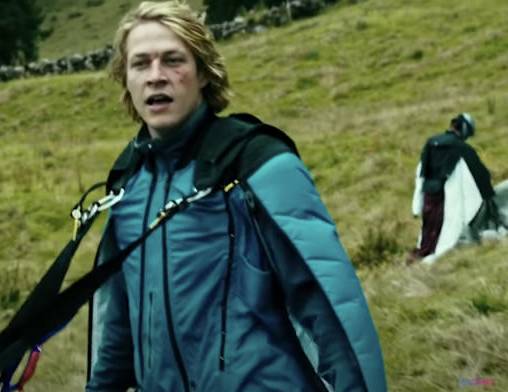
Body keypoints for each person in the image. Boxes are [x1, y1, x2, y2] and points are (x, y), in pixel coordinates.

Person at [86, 2, 387, 391]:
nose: (156, 77)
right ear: (125, 79)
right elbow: (121, 328)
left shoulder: (257, 164)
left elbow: (325, 307)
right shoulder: (128, 184)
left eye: (173, 60)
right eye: (140, 64)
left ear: (204, 74)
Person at [409, 113, 504, 264]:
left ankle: (422, 253)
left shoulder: (431, 142)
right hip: (448, 198)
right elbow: (481, 176)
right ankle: (427, 257)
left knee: (429, 229)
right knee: (445, 233)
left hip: (429, 194)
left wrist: (417, 202)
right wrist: (488, 197)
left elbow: (421, 172)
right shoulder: (461, 148)